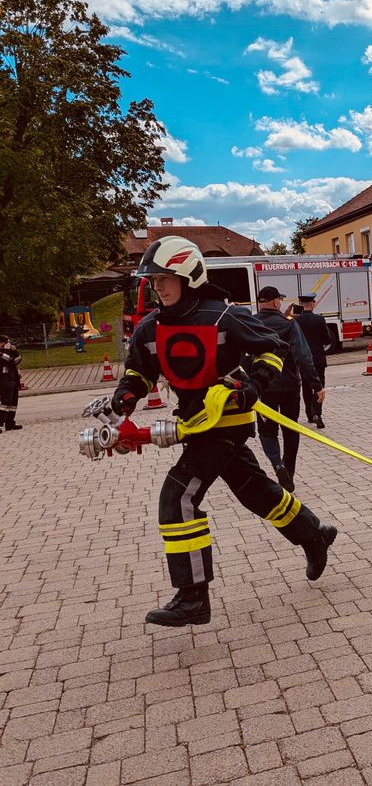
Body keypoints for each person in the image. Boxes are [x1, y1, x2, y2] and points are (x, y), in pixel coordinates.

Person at [111, 237, 337, 627]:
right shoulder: (151, 327)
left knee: (178, 498)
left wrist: (253, 385)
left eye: (166, 278)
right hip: (193, 425)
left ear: (189, 277)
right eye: (153, 280)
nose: (158, 287)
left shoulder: (222, 317)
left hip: (226, 424)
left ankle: (194, 596)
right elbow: (140, 371)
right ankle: (313, 533)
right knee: (255, 492)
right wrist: (125, 396)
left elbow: (274, 349)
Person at [253, 286, 325, 493]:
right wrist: (317, 386)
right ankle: (289, 471)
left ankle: (277, 465)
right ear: (276, 303)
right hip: (289, 386)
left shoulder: (251, 324)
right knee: (290, 429)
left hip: (262, 388)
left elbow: (242, 357)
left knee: (267, 431)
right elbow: (303, 356)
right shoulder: (288, 324)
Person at [294, 293, 330, 429]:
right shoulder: (319, 319)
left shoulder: (297, 320)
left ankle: (309, 414)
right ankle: (317, 414)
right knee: (319, 385)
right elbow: (327, 339)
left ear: (301, 305)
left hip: (303, 360)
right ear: (313, 303)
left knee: (307, 386)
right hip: (318, 359)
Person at [0, 335, 23, 431]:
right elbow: (5, 360)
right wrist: (8, 350)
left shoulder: (8, 351)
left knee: (13, 402)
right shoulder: (2, 352)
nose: (8, 344)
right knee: (5, 402)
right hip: (3, 379)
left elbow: (17, 360)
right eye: (6, 342)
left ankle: (10, 423)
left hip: (12, 378)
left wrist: (14, 351)